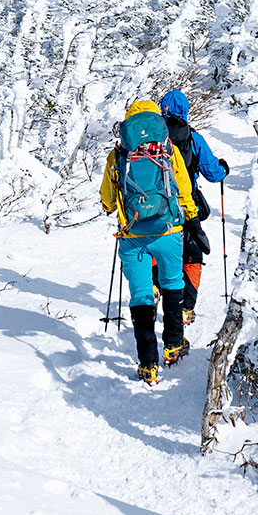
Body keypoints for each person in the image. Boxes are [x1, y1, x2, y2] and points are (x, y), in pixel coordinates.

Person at [100, 98, 199, 384]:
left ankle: (148, 364)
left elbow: (107, 199)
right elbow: (183, 189)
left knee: (141, 295)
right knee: (172, 285)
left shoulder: (118, 155)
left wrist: (112, 207)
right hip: (168, 233)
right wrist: (190, 217)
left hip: (132, 236)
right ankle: (173, 346)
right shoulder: (167, 151)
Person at [158, 89, 227, 322]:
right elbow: (213, 173)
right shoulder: (193, 138)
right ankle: (187, 307)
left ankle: (155, 286)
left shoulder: (153, 138)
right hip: (186, 206)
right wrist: (223, 168)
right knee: (193, 253)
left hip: (157, 205)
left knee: (158, 247)